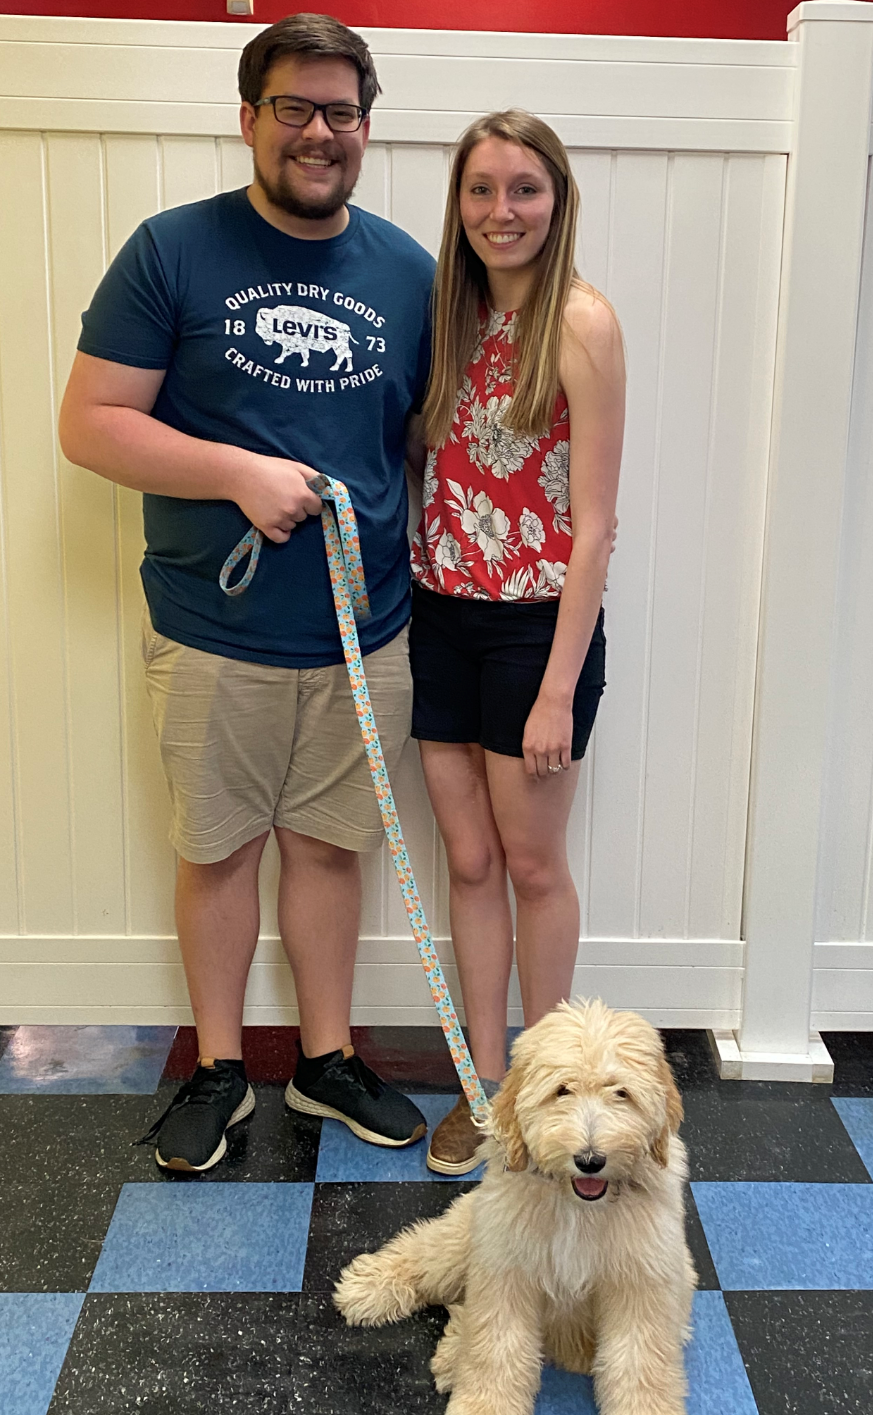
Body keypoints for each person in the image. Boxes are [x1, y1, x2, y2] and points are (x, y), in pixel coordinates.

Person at [58, 14, 435, 1172]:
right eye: (295, 109)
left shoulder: (409, 272)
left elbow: (422, 439)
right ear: (250, 119)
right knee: (218, 848)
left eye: (342, 113)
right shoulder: (172, 250)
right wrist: (238, 473)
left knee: (331, 847)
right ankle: (218, 1069)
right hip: (212, 626)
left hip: (361, 626)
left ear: (366, 129)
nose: (319, 134)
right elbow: (90, 424)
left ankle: (325, 1060)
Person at [406, 111, 625, 1174]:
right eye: (483, 190)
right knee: (470, 857)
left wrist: (555, 689)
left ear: (557, 197)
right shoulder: (445, 321)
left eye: (525, 189)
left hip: (539, 628)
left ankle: (555, 1098)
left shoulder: (581, 322)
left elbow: (594, 527)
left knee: (534, 865)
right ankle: (486, 1090)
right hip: (440, 614)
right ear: (460, 204)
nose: (504, 211)